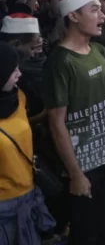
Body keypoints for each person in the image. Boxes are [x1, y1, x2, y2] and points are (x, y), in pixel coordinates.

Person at [43, 0, 105, 243]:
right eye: (94, 10)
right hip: (81, 165)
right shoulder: (60, 61)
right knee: (85, 231)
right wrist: (76, 173)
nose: (103, 16)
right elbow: (56, 122)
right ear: (74, 17)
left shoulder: (100, 52)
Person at [0, 42, 56, 245]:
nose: (19, 74)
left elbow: (23, 127)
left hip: (29, 195)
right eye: (12, 70)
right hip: (4, 209)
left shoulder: (19, 97)